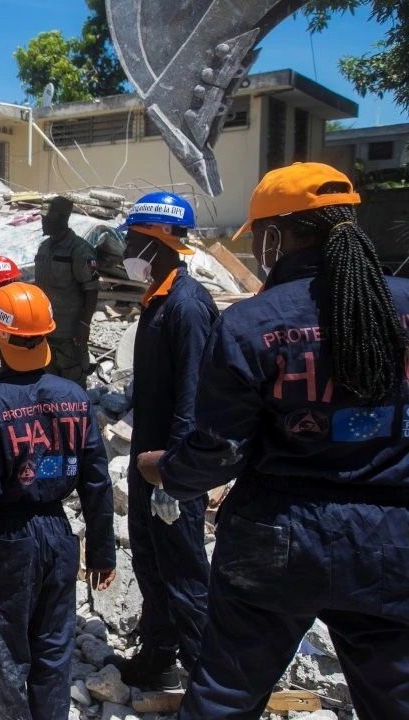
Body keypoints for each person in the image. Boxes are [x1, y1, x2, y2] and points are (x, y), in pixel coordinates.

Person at [136, 162, 409, 719]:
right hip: (391, 537)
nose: (259, 247)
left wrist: (167, 472)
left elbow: (221, 449)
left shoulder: (254, 323)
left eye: (258, 235)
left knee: (225, 695)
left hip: (277, 535)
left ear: (278, 234)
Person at [0, 282, 116, 720]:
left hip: (8, 540)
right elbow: (96, 480)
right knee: (53, 652)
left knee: (1, 656)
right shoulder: (75, 396)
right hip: (59, 536)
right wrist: (101, 551)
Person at [106, 192, 216, 690]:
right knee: (151, 563)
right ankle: (158, 655)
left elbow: (194, 400)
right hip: (148, 460)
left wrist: (175, 477)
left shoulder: (187, 308)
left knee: (185, 574)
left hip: (171, 468)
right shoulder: (157, 300)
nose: (126, 250)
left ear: (155, 244)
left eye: (132, 240)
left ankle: (207, 681)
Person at [34, 196, 100, 387]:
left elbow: (91, 288)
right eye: (42, 216)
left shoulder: (79, 249)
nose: (43, 220)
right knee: (48, 383)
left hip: (68, 335)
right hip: (45, 332)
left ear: (63, 218)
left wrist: (84, 324)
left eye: (48, 217)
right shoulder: (44, 247)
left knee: (73, 386)